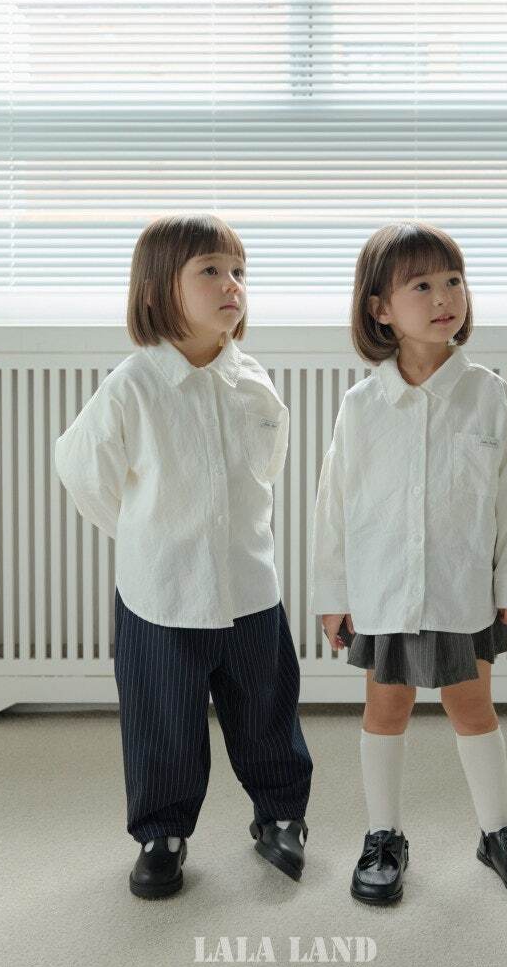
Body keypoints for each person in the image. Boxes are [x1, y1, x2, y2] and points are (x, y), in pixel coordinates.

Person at [54, 213, 313, 899]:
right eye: (210, 271)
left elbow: (266, 467)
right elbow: (83, 471)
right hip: (161, 594)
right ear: (160, 288)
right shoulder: (133, 385)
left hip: (248, 586)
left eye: (238, 272)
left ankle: (281, 814)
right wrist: (144, 535)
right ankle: (162, 833)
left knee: (266, 709)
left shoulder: (251, 381)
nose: (231, 285)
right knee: (162, 719)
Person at [309, 221, 507, 905]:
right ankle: (383, 836)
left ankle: (498, 832)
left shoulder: (489, 395)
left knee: (472, 706)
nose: (443, 296)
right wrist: (332, 592)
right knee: (385, 708)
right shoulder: (361, 406)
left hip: (460, 589)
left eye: (453, 280)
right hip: (384, 591)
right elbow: (333, 505)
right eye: (420, 285)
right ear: (380, 308)